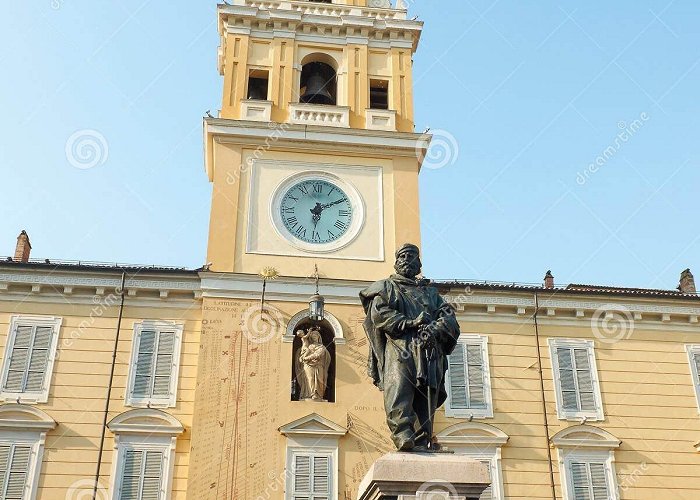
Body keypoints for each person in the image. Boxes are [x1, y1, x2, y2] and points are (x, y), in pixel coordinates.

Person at [360, 243, 460, 451]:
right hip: (401, 346)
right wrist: (410, 323)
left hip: (429, 350)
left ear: (419, 264)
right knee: (399, 389)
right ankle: (403, 433)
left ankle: (422, 438)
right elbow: (379, 313)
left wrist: (436, 328)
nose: (407, 260)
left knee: (426, 394)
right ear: (396, 263)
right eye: (403, 256)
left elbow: (449, 318)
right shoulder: (386, 287)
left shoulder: (432, 294)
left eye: (412, 257)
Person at [295, 327, 331, 401]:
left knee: (320, 380)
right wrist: (302, 357)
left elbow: (317, 354)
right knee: (309, 379)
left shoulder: (322, 347)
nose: (314, 337)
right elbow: (302, 354)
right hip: (308, 366)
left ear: (319, 337)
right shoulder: (308, 346)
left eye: (316, 336)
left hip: (319, 366)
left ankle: (318, 395)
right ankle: (309, 394)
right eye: (312, 336)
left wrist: (306, 358)